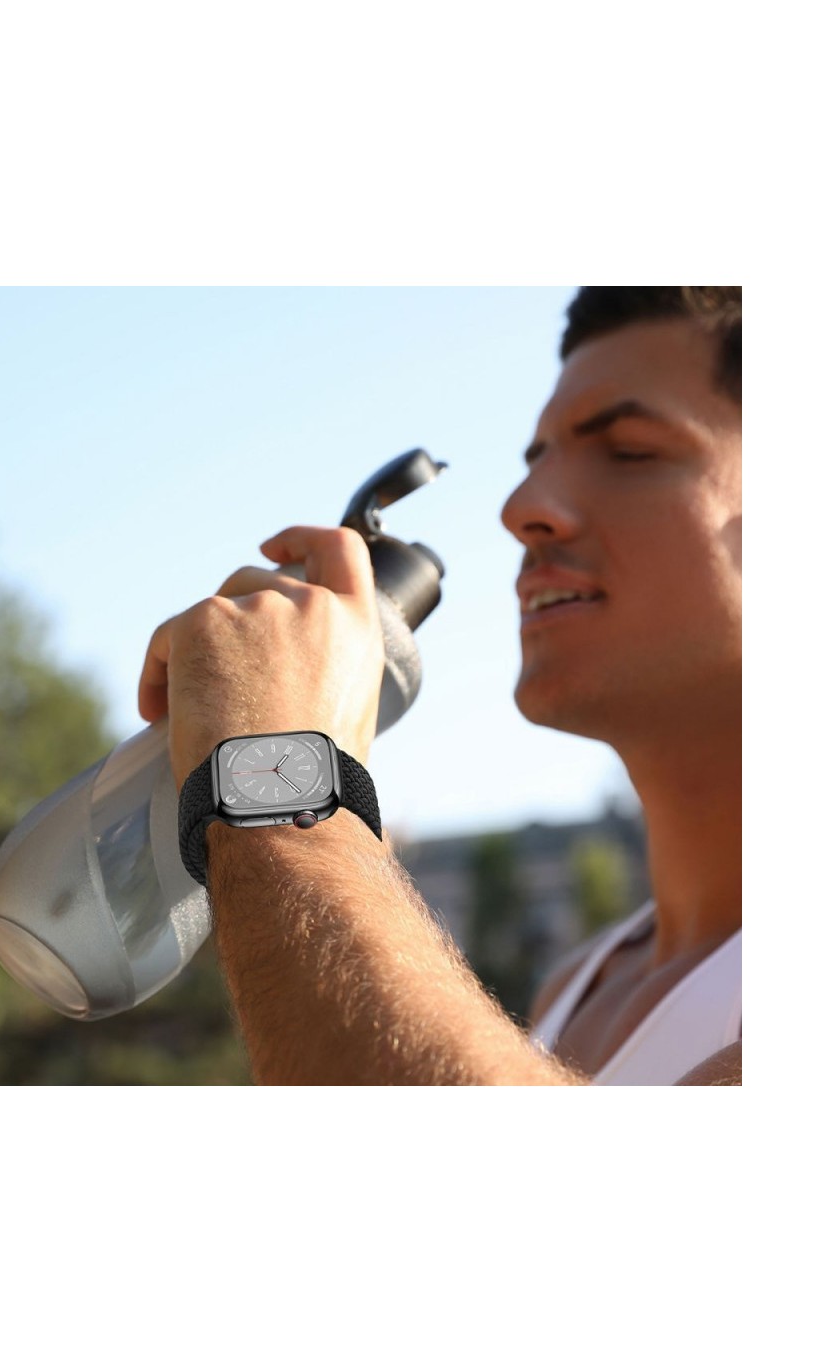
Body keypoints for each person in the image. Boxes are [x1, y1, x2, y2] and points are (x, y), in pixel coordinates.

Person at [138, 286, 742, 1085]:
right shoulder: (576, 989)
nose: (521, 508)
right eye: (536, 461)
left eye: (630, 451)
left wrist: (277, 777)